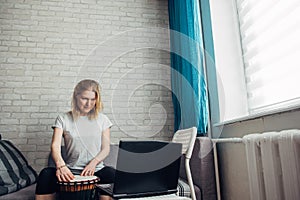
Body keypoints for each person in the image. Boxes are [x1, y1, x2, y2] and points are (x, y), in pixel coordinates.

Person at [35, 79, 115, 200]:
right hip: (70, 171)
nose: (89, 104)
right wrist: (61, 166)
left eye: (93, 99)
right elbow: (55, 146)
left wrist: (93, 164)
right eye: (84, 99)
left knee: (111, 174)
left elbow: (106, 148)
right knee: (46, 174)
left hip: (96, 170)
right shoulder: (63, 118)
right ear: (76, 97)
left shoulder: (103, 119)